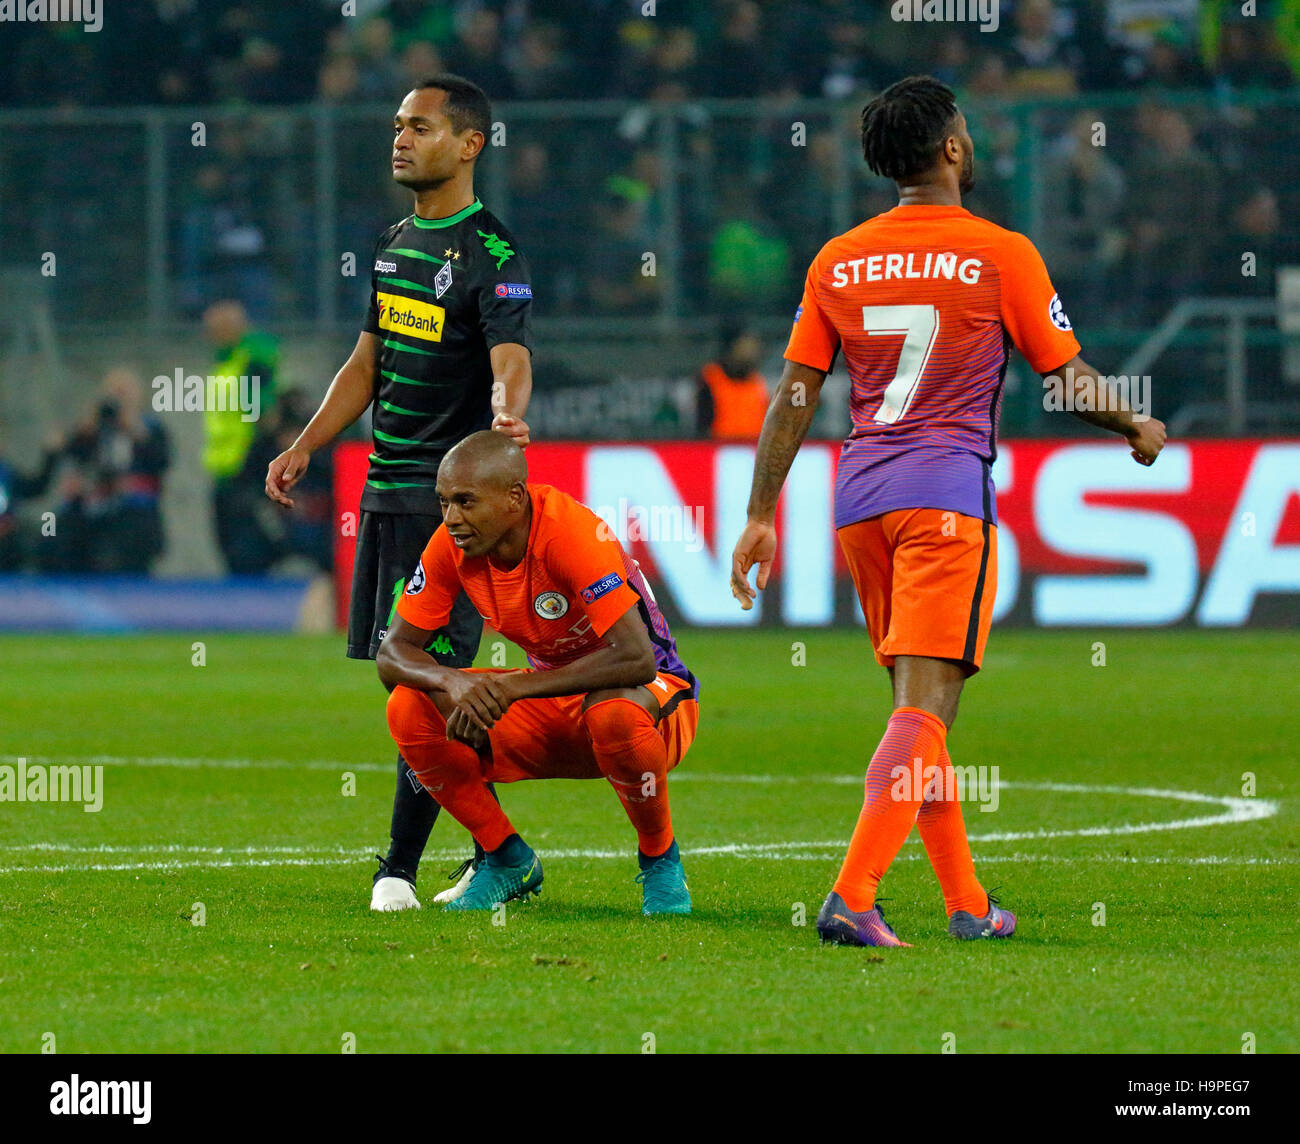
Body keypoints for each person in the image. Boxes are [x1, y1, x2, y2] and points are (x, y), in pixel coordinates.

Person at [729, 76, 1167, 948]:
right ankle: (853, 896)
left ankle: (968, 905)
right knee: (927, 712)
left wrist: (760, 513)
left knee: (914, 711)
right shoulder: (1000, 252)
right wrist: (1135, 420)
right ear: (954, 151)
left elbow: (793, 393)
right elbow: (1065, 379)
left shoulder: (837, 258)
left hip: (860, 502)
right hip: (944, 500)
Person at [265, 74, 532, 912]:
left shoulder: (491, 253)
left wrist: (505, 411)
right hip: (385, 494)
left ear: (469, 143)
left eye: (419, 126)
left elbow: (511, 355)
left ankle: (403, 868)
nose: (401, 138)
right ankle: (498, 848)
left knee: (425, 679)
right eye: (397, 125)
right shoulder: (392, 245)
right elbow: (367, 364)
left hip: (447, 506)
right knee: (408, 679)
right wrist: (308, 442)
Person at [379, 431, 699, 915]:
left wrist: (511, 686)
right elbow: (392, 653)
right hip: (552, 698)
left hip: (653, 699)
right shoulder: (452, 544)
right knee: (408, 705)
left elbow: (636, 658)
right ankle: (506, 858)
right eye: (444, 502)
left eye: (465, 502)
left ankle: (660, 860)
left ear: (514, 497)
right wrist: (453, 680)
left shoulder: (568, 533)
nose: (451, 518)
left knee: (612, 712)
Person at [203, 300, 280, 575]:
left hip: (246, 465)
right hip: (226, 469)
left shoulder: (252, 355)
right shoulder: (227, 359)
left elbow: (263, 410)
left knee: (246, 549)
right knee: (230, 547)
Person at [695, 321, 770, 441]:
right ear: (733, 346)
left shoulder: (758, 381)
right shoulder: (711, 377)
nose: (753, 351)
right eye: (746, 345)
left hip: (754, 451)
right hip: (720, 450)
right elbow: (703, 425)